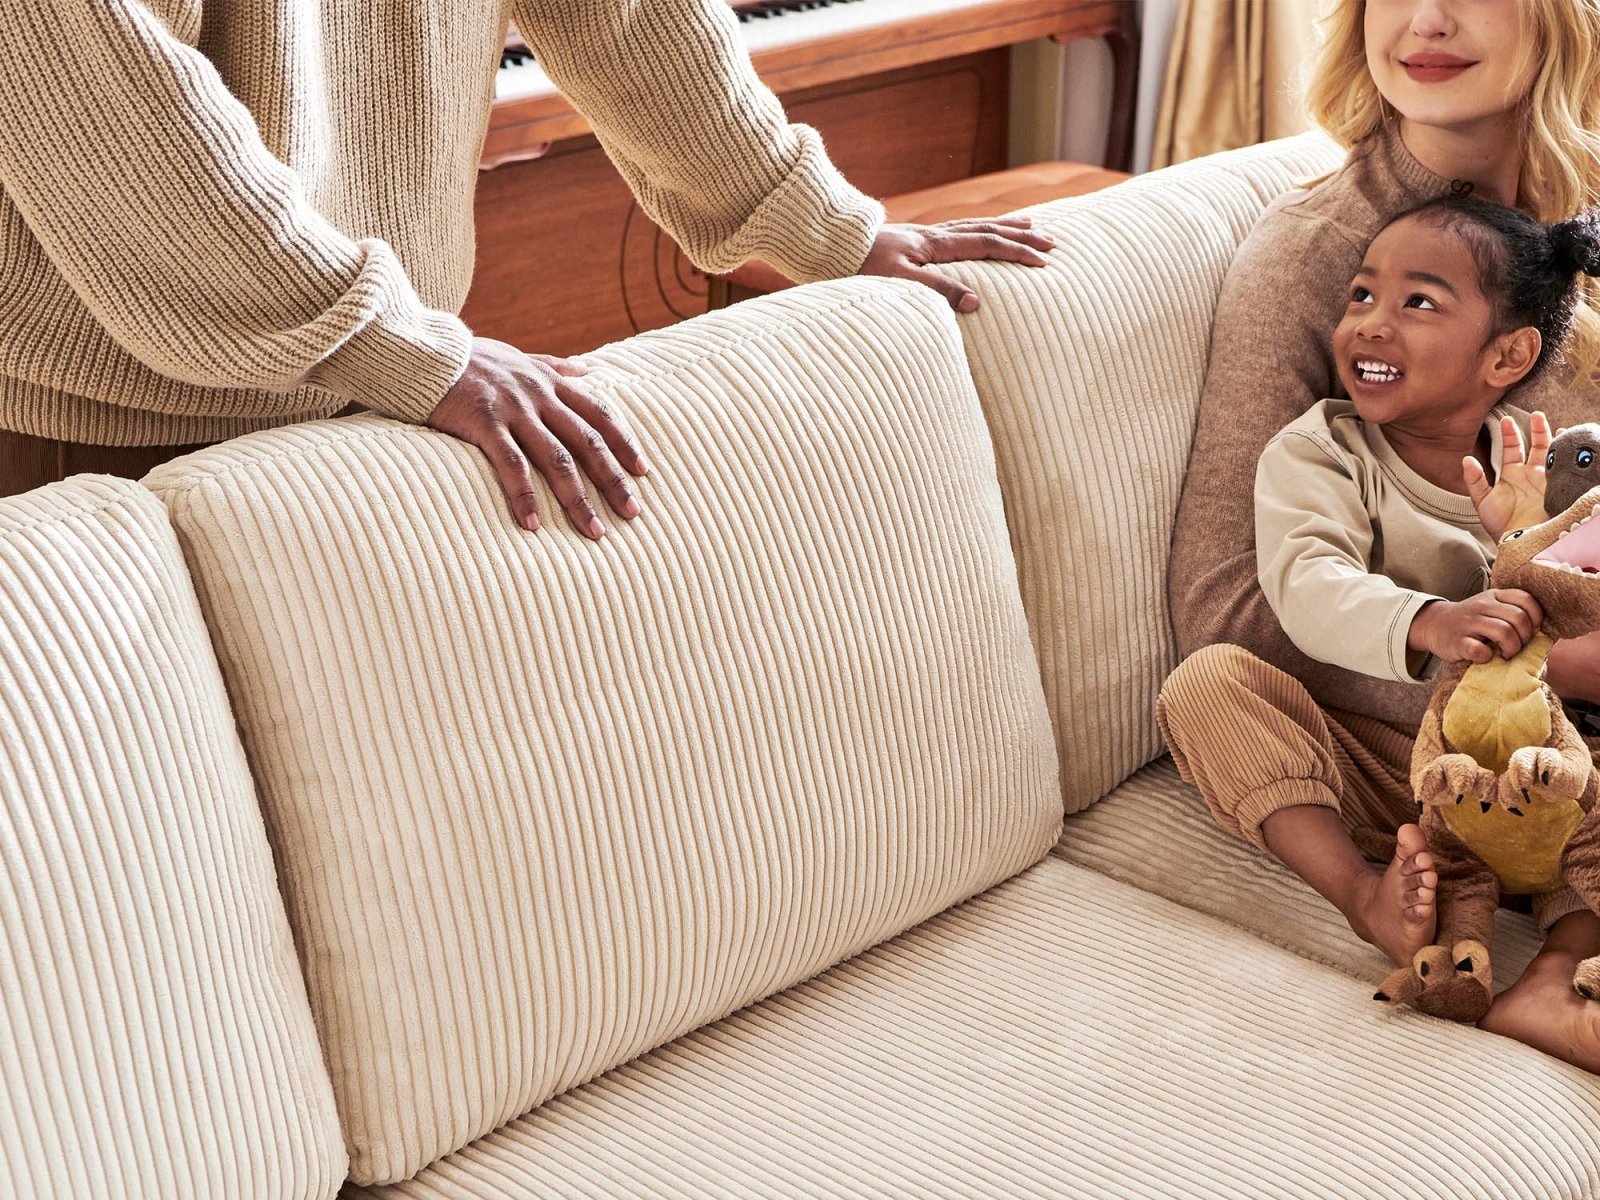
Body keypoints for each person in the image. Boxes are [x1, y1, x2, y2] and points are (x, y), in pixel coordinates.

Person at [0, 0, 1053, 529]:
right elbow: (111, 116)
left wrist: (828, 227)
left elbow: (629, 16)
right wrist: (396, 344)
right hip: (95, 420)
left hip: (374, 379)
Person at [1164, 0, 1600, 1070]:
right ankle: (1408, 906)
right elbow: (1230, 614)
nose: (1428, 18)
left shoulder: (1567, 226)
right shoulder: (1309, 260)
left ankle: (1561, 971)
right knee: (1208, 684)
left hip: (1561, 725)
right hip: (1400, 727)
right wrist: (1512, 668)